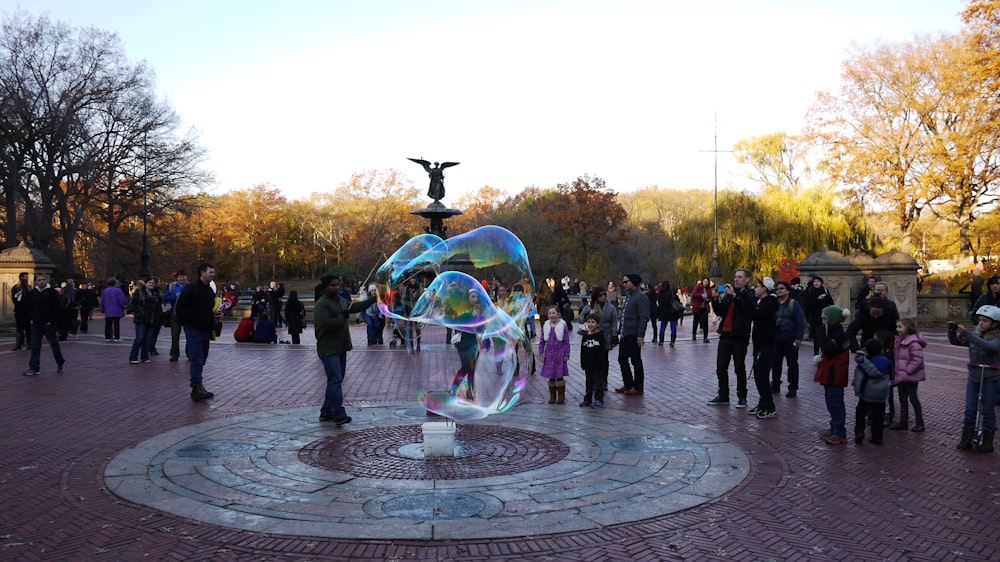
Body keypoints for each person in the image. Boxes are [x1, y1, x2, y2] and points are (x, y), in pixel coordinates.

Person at [313, 274, 376, 425]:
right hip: (328, 348)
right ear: (325, 287)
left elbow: (353, 307)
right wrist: (342, 317)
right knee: (335, 380)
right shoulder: (322, 304)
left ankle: (326, 412)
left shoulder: (340, 299)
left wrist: (374, 299)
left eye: (338, 285)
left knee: (335, 380)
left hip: (341, 346)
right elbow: (325, 324)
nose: (336, 287)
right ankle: (338, 413)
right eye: (333, 285)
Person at [949, 305, 1000, 453]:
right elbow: (958, 341)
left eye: (985, 321)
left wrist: (969, 335)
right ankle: (966, 437)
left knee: (988, 410)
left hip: (991, 378)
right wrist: (952, 332)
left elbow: (989, 346)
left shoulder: (997, 338)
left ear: (995, 323)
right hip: (974, 377)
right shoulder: (975, 335)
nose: (981, 323)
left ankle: (988, 440)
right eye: (980, 320)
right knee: (970, 408)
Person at [708, 269, 755, 407]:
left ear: (747, 280)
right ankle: (723, 395)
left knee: (739, 367)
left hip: (739, 336)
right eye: (735, 277)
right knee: (720, 367)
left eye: (740, 277)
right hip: (725, 335)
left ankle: (742, 396)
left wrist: (735, 296)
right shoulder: (729, 295)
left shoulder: (749, 295)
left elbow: (747, 309)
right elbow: (720, 311)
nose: (736, 279)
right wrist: (715, 298)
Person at [174, 263, 221, 401]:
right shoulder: (191, 289)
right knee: (197, 357)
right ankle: (196, 386)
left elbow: (211, 309)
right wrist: (188, 321)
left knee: (202, 357)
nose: (213, 274)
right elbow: (180, 307)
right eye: (210, 272)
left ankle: (198, 385)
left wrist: (216, 316)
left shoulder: (209, 291)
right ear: (202, 273)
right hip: (193, 327)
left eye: (213, 272)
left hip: (205, 328)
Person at [816, 305, 852, 445]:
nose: (822, 322)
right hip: (830, 372)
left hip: (835, 373)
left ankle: (839, 432)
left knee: (835, 402)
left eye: (825, 319)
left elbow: (828, 350)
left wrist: (819, 334)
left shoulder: (839, 335)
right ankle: (834, 428)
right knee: (830, 402)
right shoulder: (832, 333)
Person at [23, 272, 65, 376]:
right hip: (36, 324)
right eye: (39, 280)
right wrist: (31, 319)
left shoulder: (52, 292)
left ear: (46, 280)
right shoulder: (33, 292)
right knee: (35, 346)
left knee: (54, 345)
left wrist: (52, 320)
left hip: (48, 324)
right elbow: (28, 307)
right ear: (36, 281)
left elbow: (57, 308)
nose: (41, 282)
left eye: (43, 280)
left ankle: (60, 362)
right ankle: (34, 367)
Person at [749, 277, 779, 419]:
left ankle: (769, 406)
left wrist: (744, 299)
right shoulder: (760, 302)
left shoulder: (769, 304)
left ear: (764, 289)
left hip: (766, 344)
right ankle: (763, 402)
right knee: (758, 375)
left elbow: (755, 315)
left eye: (757, 286)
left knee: (762, 375)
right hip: (759, 343)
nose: (755, 289)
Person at [852, 337, 892, 445]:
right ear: (881, 350)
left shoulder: (865, 362)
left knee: (861, 412)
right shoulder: (886, 361)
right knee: (879, 416)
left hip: (866, 393)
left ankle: (859, 432)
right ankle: (877, 437)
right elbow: (891, 374)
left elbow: (859, 377)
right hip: (881, 394)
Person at [890, 317, 927, 432]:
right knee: (902, 399)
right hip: (901, 376)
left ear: (908, 327)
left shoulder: (913, 343)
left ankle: (919, 422)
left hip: (910, 376)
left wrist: (908, 370)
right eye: (897, 327)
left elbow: (918, 359)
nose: (898, 329)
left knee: (913, 399)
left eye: (900, 327)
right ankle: (903, 421)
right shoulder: (899, 341)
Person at [616, 273, 650, 395]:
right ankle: (628, 384)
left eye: (626, 282)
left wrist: (641, 335)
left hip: (634, 334)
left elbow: (644, 316)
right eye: (623, 282)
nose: (624, 284)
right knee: (622, 359)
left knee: (636, 361)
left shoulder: (640, 297)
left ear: (633, 282)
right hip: (625, 334)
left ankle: (638, 386)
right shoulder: (629, 296)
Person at [771, 280, 805, 397]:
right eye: (777, 289)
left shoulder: (793, 304)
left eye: (781, 288)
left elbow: (800, 322)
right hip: (776, 339)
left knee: (792, 364)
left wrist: (799, 338)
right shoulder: (774, 303)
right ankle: (775, 384)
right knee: (775, 363)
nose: (779, 291)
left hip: (790, 339)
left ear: (788, 291)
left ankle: (793, 387)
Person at [539, 305, 571, 404]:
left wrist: (566, 354)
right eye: (549, 313)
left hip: (560, 353)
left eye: (553, 313)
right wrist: (541, 353)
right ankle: (552, 396)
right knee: (551, 375)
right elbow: (542, 341)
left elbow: (566, 341)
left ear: (558, 314)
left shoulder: (562, 326)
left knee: (559, 375)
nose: (551, 315)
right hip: (549, 354)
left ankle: (561, 396)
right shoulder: (546, 326)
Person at [128, 278, 161, 364]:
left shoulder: (155, 293)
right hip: (141, 319)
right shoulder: (139, 292)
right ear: (145, 284)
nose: (151, 284)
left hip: (151, 319)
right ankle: (133, 356)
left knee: (148, 338)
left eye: (153, 283)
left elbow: (158, 305)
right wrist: (138, 312)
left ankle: (144, 356)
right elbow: (133, 303)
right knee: (140, 337)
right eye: (149, 283)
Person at [579, 313, 608, 408]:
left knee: (598, 382)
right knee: (588, 382)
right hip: (588, 364)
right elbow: (582, 350)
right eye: (589, 322)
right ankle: (587, 399)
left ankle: (599, 399)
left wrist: (600, 363)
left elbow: (602, 351)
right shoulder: (585, 336)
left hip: (598, 365)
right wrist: (582, 362)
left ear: (597, 324)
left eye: (593, 322)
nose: (591, 324)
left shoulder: (600, 336)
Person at [803, 275, 834, 355]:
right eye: (814, 281)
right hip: (815, 317)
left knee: (825, 334)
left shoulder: (825, 290)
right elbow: (809, 305)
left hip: (824, 316)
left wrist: (825, 300)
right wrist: (818, 299)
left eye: (818, 281)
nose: (816, 283)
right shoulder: (810, 291)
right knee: (817, 337)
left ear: (821, 283)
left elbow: (831, 302)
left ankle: (824, 352)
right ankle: (816, 353)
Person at [164, 270, 190, 361]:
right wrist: (175, 296)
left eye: (183, 276)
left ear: (186, 277)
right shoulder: (172, 286)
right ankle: (174, 354)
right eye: (180, 277)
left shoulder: (190, 287)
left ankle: (189, 354)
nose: (182, 278)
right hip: (175, 314)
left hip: (187, 315)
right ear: (177, 278)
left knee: (189, 335)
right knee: (175, 336)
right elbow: (166, 297)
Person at [656, 280, 682, 347]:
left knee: (662, 327)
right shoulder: (672, 292)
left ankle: (661, 341)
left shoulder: (660, 293)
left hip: (663, 312)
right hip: (672, 312)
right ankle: (672, 342)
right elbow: (677, 300)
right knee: (673, 327)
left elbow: (659, 303)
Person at [12, 271, 31, 351]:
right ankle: (18, 344)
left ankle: (29, 344)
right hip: (19, 311)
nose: (27, 279)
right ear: (21, 278)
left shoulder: (29, 288)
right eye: (26, 277)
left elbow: (31, 299)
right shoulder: (15, 288)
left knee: (28, 329)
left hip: (27, 311)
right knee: (19, 328)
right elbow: (14, 299)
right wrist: (19, 294)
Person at [690, 278, 711, 342]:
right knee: (695, 322)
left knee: (705, 323)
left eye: (707, 282)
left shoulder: (709, 289)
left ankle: (705, 337)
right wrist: (701, 295)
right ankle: (694, 335)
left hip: (705, 308)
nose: (705, 283)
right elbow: (694, 294)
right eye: (704, 281)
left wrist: (708, 299)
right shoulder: (698, 286)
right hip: (697, 308)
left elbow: (710, 297)